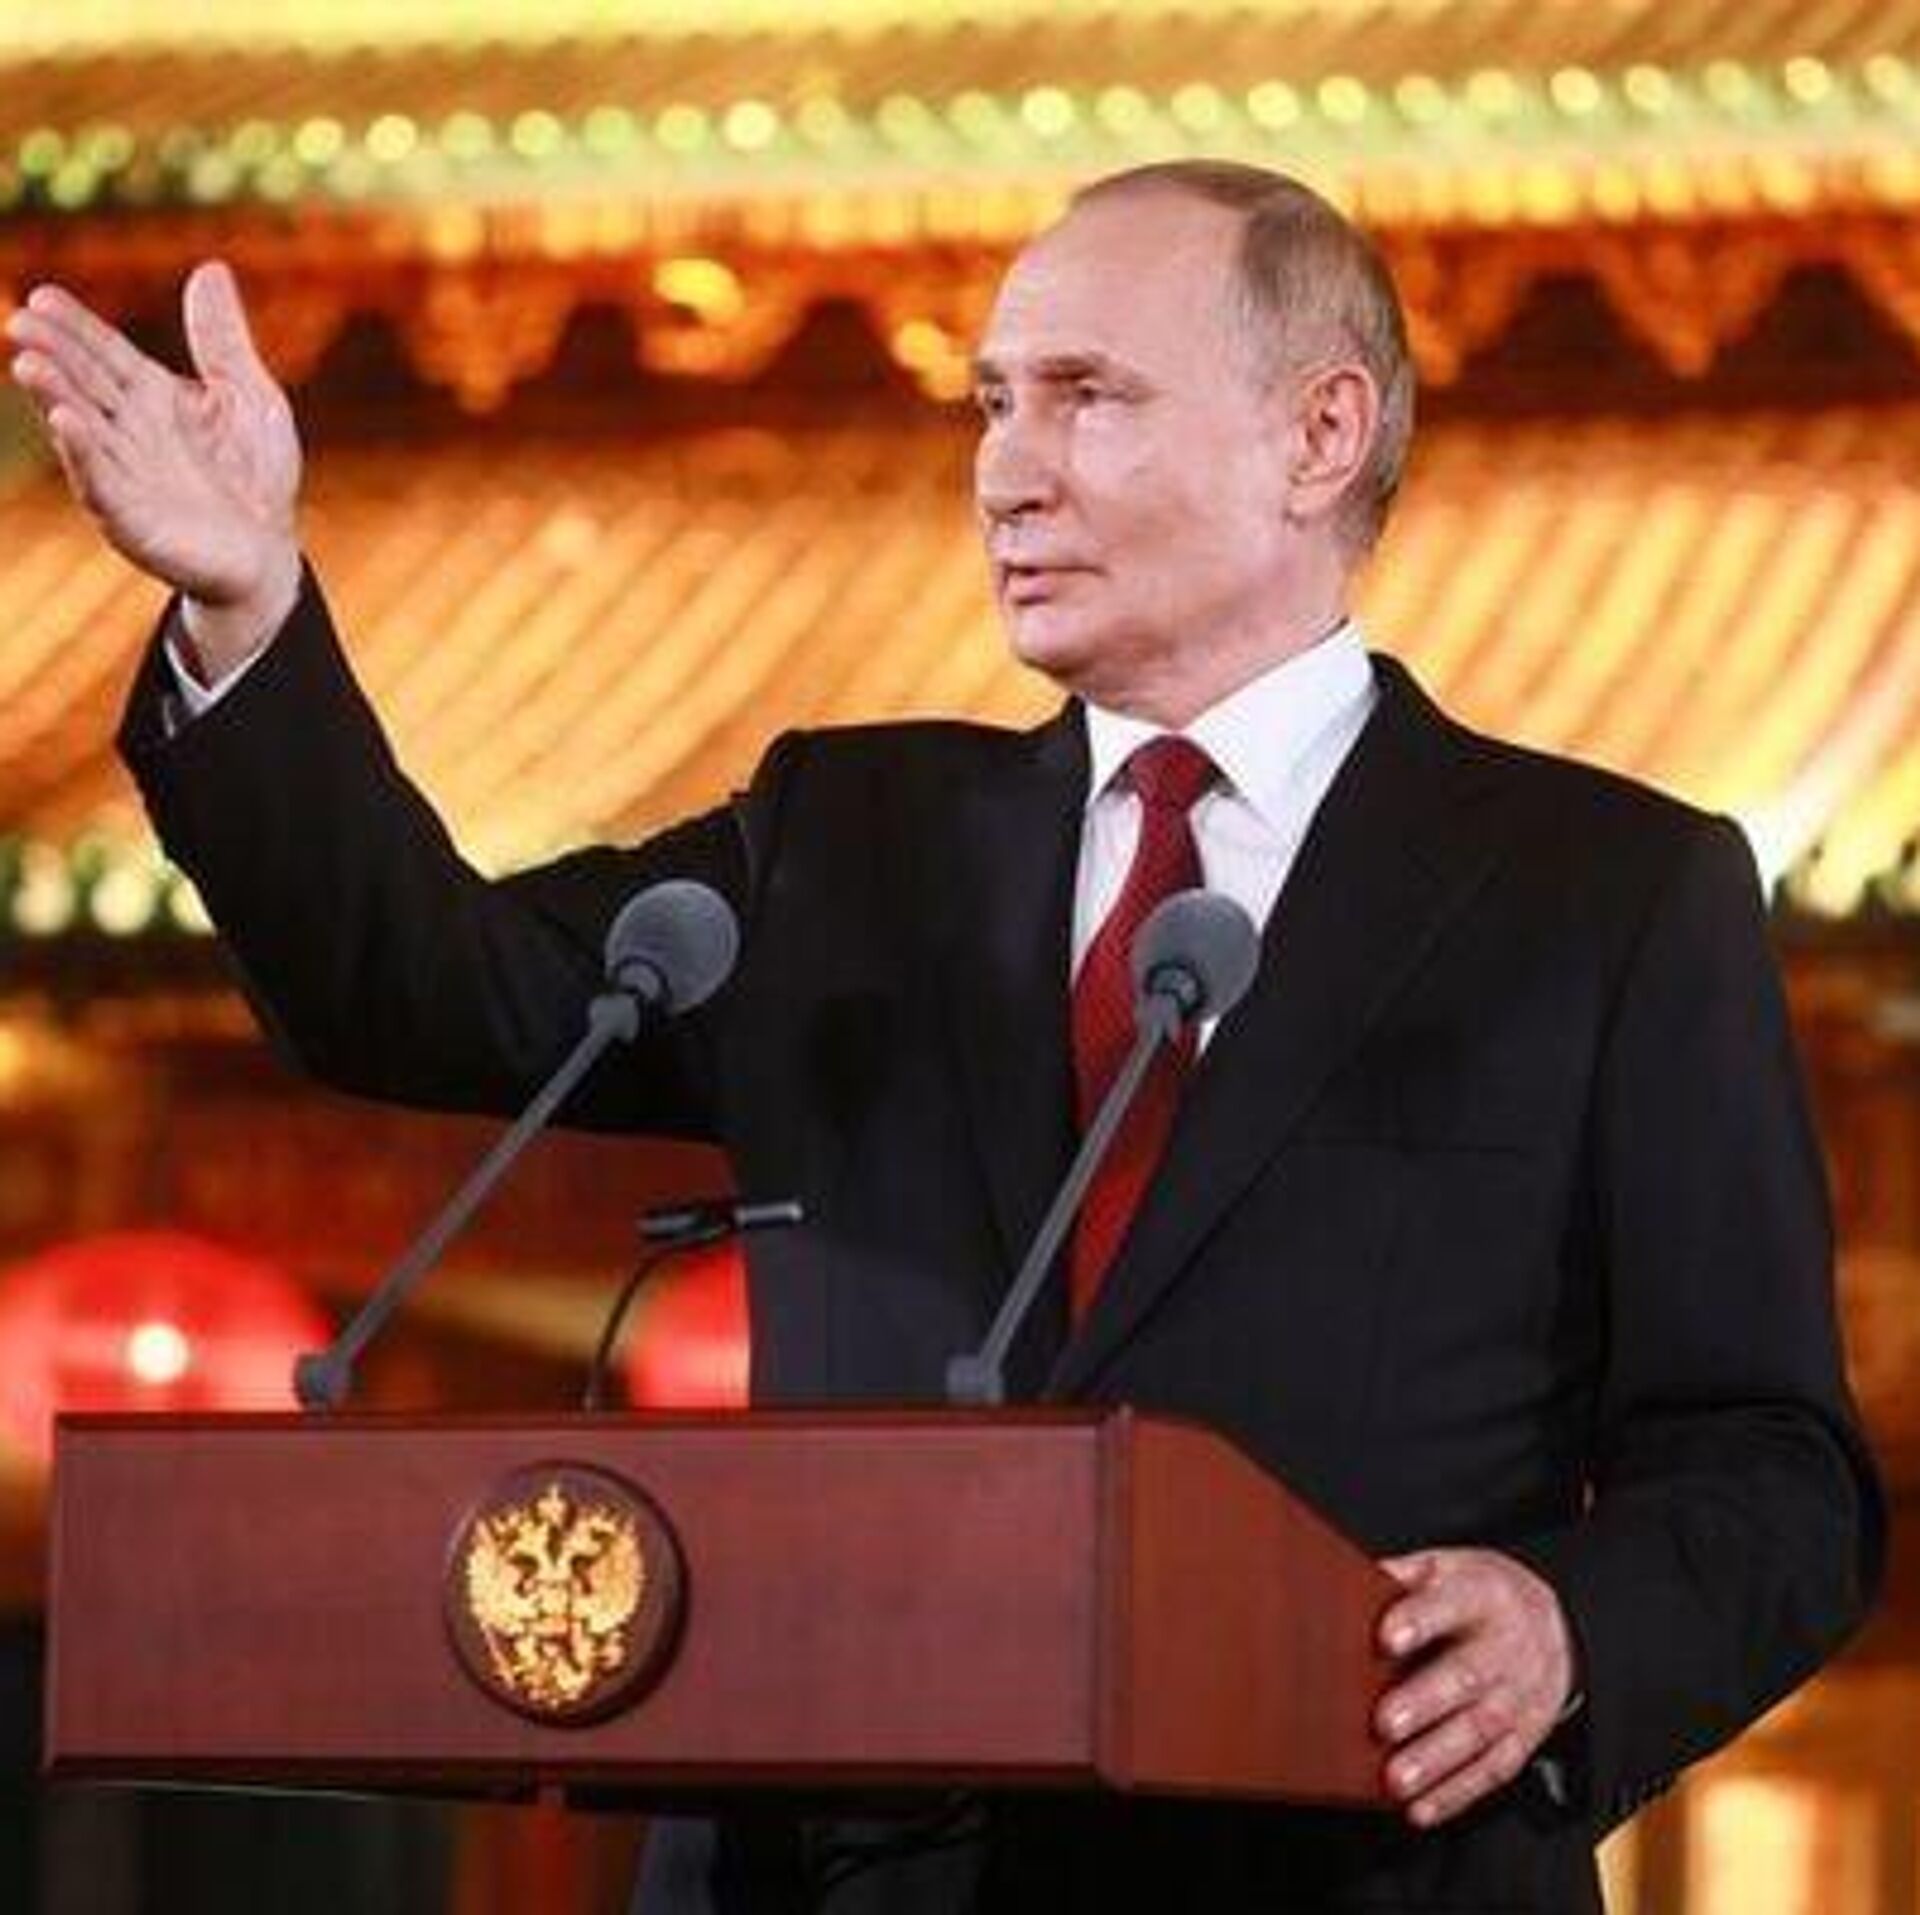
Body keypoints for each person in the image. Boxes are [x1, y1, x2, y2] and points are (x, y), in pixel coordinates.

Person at [6, 160, 1883, 1913]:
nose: (1004, 474)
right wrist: (244, 600)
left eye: (1087, 398)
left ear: (1320, 435)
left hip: (1345, 1863)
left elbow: (1771, 1466)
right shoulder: (844, 840)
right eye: (991, 404)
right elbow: (424, 987)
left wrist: (1570, 1634)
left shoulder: (1605, 896)